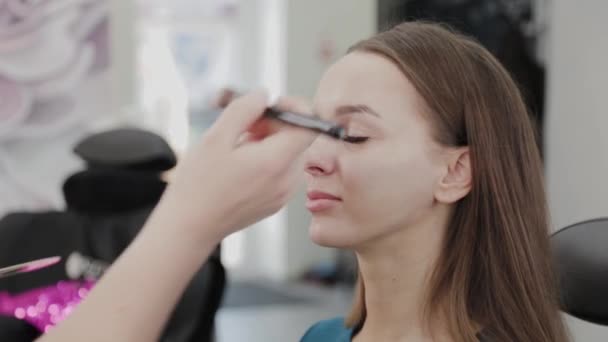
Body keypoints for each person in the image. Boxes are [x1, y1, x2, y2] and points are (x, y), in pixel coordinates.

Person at [37, 21, 569, 342]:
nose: (312, 159)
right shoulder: (321, 337)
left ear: (456, 171)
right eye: (316, 128)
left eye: (352, 134)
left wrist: (189, 219)